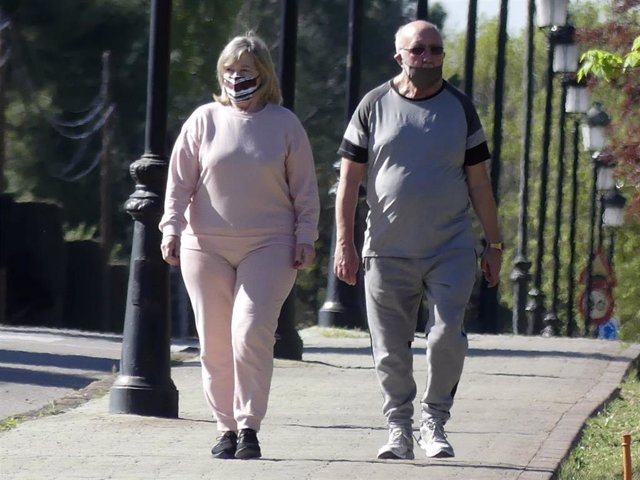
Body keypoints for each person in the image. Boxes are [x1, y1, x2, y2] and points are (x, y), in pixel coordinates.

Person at [334, 20, 502, 460]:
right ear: (400, 57)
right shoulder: (373, 106)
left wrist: (495, 245)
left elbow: (480, 184)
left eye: (435, 51)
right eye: (419, 51)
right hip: (386, 250)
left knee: (447, 334)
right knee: (390, 348)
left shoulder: (460, 109)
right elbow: (349, 184)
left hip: (451, 247)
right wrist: (344, 244)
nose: (428, 58)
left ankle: (435, 421)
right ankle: (398, 428)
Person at [159, 33, 320, 460]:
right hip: (205, 246)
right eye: (229, 71)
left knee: (249, 333)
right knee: (214, 341)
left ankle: (249, 426)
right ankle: (224, 428)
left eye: (245, 71)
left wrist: (306, 236)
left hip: (269, 245)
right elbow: (178, 183)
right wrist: (170, 228)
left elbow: (305, 190)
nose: (236, 79)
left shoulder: (284, 124)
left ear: (263, 75)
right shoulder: (203, 120)